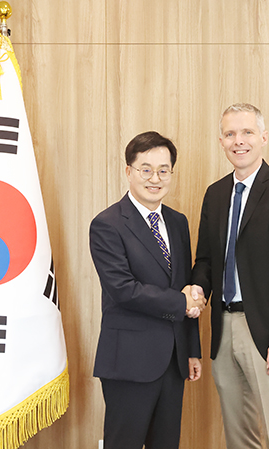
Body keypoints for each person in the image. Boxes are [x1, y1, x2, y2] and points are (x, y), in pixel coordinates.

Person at [191, 103, 269, 449]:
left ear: (263, 137)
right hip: (223, 329)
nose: (238, 141)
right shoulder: (215, 195)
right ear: (221, 141)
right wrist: (197, 288)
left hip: (268, 333)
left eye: (246, 132)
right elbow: (206, 260)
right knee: (237, 434)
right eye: (230, 134)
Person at [89, 131, 205, 449]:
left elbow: (185, 285)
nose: (155, 178)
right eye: (146, 169)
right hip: (129, 361)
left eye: (163, 170)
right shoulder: (107, 224)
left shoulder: (178, 222)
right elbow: (123, 289)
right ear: (129, 171)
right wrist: (181, 302)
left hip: (173, 360)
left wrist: (191, 348)